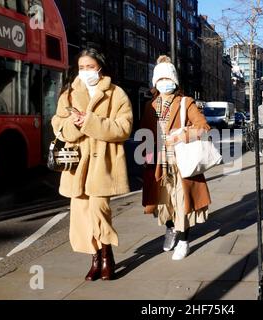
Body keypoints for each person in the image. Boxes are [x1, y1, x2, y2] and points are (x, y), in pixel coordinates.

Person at [51, 48, 133, 281]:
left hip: (103, 165)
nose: (86, 71)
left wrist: (89, 121)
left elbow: (123, 129)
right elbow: (57, 125)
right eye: (82, 68)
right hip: (77, 165)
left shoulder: (116, 94)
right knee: (82, 215)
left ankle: (107, 256)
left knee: (99, 211)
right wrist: (74, 125)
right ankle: (95, 259)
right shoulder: (68, 94)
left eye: (90, 67)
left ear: (100, 68)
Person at [141, 55, 211, 260]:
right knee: (163, 204)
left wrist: (182, 135)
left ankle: (183, 241)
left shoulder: (185, 102)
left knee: (182, 203)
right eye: (160, 80)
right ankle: (171, 229)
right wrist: (147, 154)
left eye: (168, 79)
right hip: (158, 164)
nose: (165, 83)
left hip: (181, 163)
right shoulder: (150, 106)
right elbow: (145, 132)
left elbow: (204, 127)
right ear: (155, 82)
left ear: (175, 80)